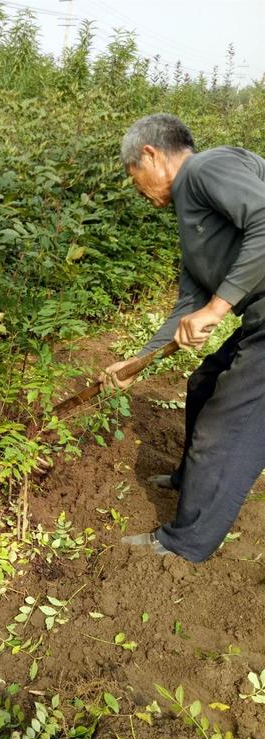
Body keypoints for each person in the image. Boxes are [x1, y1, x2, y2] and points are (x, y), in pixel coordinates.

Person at [101, 113, 265, 563]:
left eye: (134, 175)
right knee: (203, 385)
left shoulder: (205, 169)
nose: (137, 189)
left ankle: (185, 544)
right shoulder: (193, 215)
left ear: (151, 155)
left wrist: (219, 307)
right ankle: (190, 482)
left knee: (223, 430)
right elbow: (186, 306)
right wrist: (137, 362)